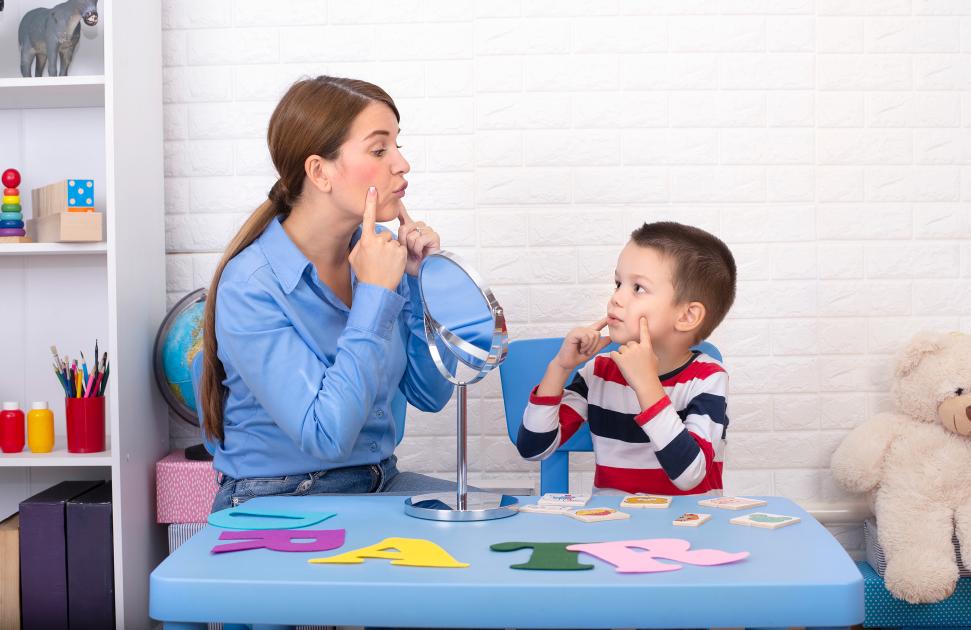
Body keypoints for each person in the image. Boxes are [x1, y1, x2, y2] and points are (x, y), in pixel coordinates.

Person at [200, 76, 458, 512]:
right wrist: (375, 297)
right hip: (279, 498)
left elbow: (431, 393)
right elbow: (327, 436)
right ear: (319, 171)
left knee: (493, 529)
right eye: (380, 150)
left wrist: (419, 282)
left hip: (379, 482)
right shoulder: (251, 285)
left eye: (398, 145)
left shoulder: (378, 257)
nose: (402, 164)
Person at [516, 221, 737, 495]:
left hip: (691, 529)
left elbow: (689, 474)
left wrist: (647, 385)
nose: (616, 298)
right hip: (613, 530)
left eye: (638, 288)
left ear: (687, 316)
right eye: (618, 283)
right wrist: (560, 368)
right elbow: (533, 448)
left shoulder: (707, 378)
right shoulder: (599, 372)